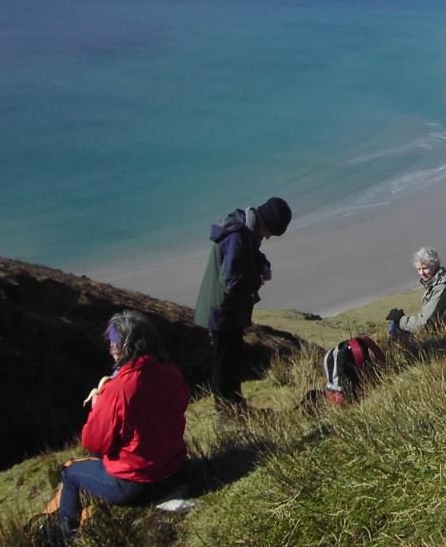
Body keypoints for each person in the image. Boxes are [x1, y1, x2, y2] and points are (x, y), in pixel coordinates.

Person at [51, 311, 190, 538]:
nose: (111, 350)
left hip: (136, 486)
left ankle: (65, 534)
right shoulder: (171, 371)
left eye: (114, 343)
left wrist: (98, 406)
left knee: (70, 472)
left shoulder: (118, 389)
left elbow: (94, 441)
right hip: (176, 470)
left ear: (125, 346)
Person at [194, 196, 292, 410]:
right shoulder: (238, 236)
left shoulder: (246, 230)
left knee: (233, 355)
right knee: (224, 360)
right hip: (221, 309)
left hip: (229, 310)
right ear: (266, 225)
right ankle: (225, 408)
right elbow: (231, 279)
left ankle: (235, 401)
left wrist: (262, 264)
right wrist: (256, 280)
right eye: (271, 233)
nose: (268, 238)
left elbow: (251, 253)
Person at [386, 247, 446, 337]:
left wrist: (400, 320)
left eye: (425, 268)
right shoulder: (436, 284)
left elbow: (423, 323)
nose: (421, 273)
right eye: (418, 269)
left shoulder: (442, 288)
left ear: (434, 266)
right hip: (444, 333)